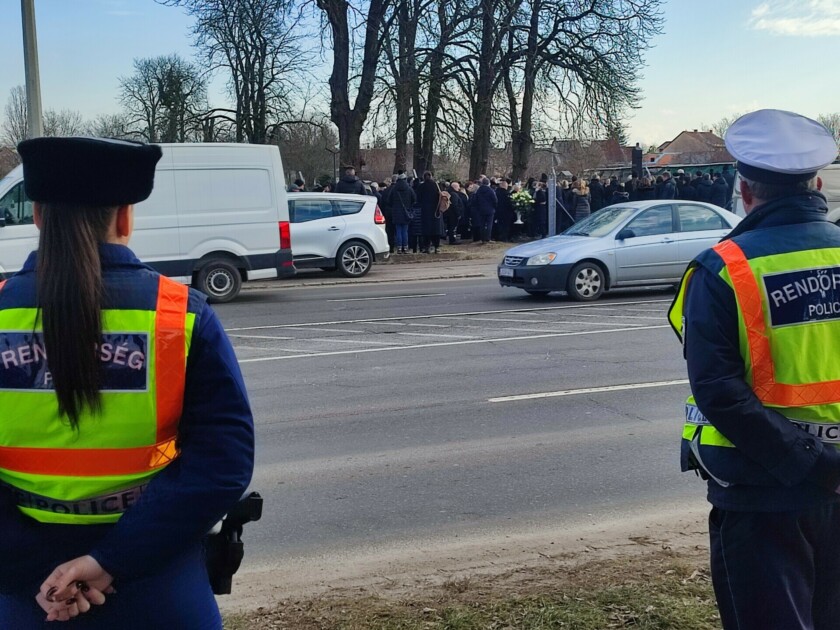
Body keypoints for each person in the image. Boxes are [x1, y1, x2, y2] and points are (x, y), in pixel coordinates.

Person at [0, 137, 255, 627]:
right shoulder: (179, 316)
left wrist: (38, 574)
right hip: (155, 577)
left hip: (23, 591)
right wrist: (107, 562)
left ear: (36, 216)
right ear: (124, 218)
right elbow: (221, 463)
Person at [668, 109, 840, 629]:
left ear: (743, 191)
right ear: (815, 183)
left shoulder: (723, 268)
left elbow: (720, 391)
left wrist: (808, 463)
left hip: (765, 492)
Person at [473, 177, 497, 244]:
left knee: (482, 224)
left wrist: (478, 208)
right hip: (490, 210)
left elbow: (475, 200)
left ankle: (482, 239)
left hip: (481, 210)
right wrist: (494, 207)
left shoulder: (478, 190)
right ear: (488, 183)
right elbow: (495, 200)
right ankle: (488, 238)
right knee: (489, 224)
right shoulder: (490, 190)